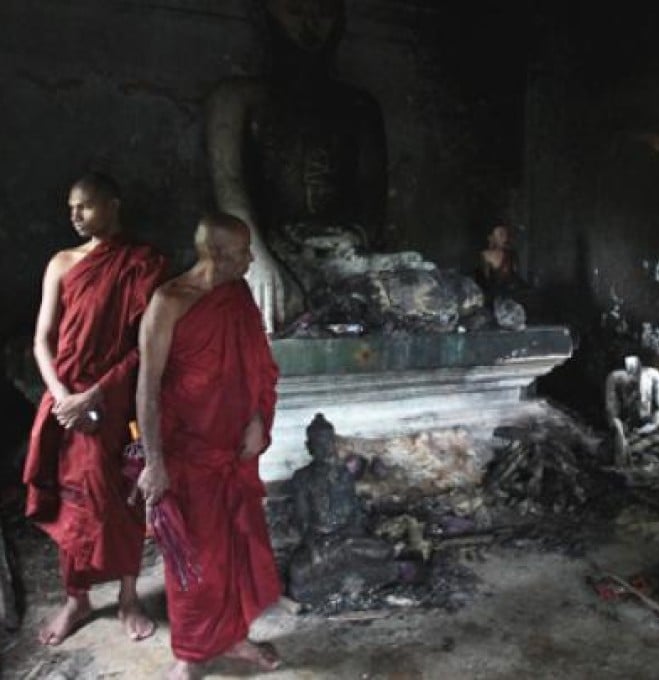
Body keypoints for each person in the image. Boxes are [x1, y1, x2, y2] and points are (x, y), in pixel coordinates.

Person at [23, 172, 167, 645]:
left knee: (121, 497)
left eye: (84, 206)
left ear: (113, 204)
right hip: (64, 400)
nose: (75, 216)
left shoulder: (142, 263)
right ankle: (76, 599)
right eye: (70, 208)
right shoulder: (62, 263)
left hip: (114, 399)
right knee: (72, 502)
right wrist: (63, 395)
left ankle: (129, 598)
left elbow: (143, 345)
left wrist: (96, 393)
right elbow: (42, 341)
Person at [135, 213, 281, 679]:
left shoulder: (236, 295)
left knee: (236, 549)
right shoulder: (169, 302)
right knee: (194, 563)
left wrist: (257, 416)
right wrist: (154, 462)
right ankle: (193, 654)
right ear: (217, 254)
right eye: (243, 252)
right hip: (188, 456)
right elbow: (147, 389)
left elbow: (257, 362)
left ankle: (234, 638)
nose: (251, 259)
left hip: (233, 453)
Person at [207, 0, 387, 333]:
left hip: (344, 259)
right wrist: (257, 257)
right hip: (271, 253)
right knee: (279, 303)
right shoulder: (235, 98)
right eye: (295, 12)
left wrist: (353, 238)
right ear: (267, 15)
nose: (309, 27)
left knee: (426, 294)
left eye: (322, 14)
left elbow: (372, 195)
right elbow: (229, 186)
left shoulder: (359, 107)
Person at [604, 355, 659, 474]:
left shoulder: (653, 376)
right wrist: (621, 436)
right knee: (631, 457)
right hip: (626, 436)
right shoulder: (614, 378)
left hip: (649, 435)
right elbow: (612, 414)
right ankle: (641, 470)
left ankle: (649, 470)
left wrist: (650, 427)